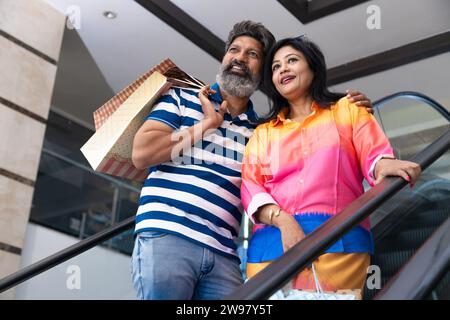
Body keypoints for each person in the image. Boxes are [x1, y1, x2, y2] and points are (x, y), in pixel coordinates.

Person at [131, 21, 375, 300]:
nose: (240, 58)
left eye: (253, 55)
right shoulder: (182, 97)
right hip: (169, 235)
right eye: (234, 50)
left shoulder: (260, 131)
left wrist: (345, 108)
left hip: (224, 254)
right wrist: (207, 124)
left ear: (263, 74)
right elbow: (142, 154)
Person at [241, 36, 421, 294]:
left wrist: (384, 165)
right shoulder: (263, 133)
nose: (283, 70)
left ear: (313, 68)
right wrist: (283, 221)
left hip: (340, 244)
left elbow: (373, 151)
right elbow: (251, 183)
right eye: (276, 67)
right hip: (270, 249)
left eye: (292, 60)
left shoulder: (348, 110)